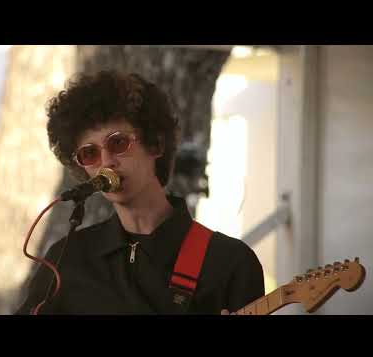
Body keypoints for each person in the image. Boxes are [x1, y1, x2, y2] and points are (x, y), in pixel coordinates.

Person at [15, 70, 264, 315]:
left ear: (155, 144)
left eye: (118, 143)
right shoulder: (65, 260)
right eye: (89, 153)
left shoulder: (230, 262)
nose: (106, 162)